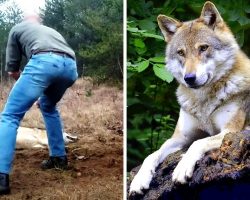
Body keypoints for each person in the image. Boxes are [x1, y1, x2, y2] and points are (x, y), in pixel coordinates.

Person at [0, 14, 78, 195]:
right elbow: (61, 58)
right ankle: (59, 158)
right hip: (71, 67)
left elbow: (12, 70)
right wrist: (36, 92)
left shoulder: (17, 29)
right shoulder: (50, 31)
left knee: (10, 116)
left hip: (45, 62)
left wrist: (29, 89)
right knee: (48, 106)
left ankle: (1, 176)